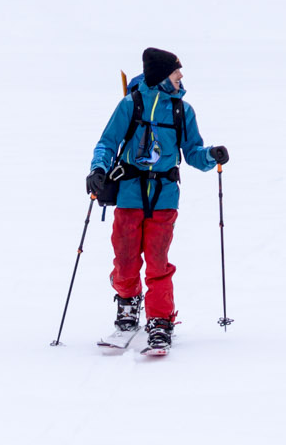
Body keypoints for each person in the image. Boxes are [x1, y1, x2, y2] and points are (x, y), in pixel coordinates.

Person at [85, 47, 228, 355]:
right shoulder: (130, 104)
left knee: (158, 262)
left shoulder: (182, 110)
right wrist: (97, 170)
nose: (181, 79)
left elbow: (193, 153)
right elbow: (107, 142)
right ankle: (127, 307)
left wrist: (210, 155)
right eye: (177, 74)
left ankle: (160, 321)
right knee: (124, 261)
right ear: (163, 77)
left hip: (164, 196)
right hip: (129, 193)